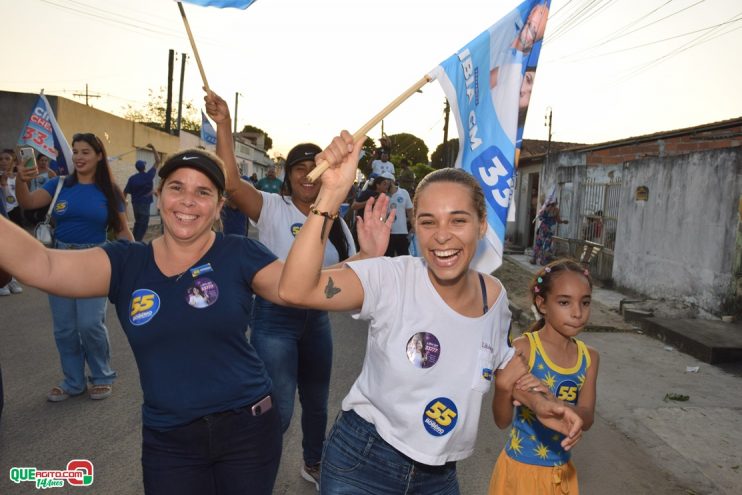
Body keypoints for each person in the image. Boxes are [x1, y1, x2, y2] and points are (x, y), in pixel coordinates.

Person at [278, 131, 584, 494]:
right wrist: (331, 194)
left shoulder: (494, 297)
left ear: (482, 224)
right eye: (427, 221)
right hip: (364, 464)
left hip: (439, 478)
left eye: (458, 220)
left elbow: (502, 364)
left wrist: (540, 401)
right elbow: (294, 289)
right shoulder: (393, 278)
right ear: (416, 227)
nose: (442, 236)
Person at [0, 148, 309, 494]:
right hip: (170, 439)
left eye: (203, 192)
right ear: (159, 195)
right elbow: (43, 265)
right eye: (177, 187)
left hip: (249, 430)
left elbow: (304, 288)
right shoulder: (126, 262)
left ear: (219, 205)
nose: (188, 201)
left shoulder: (241, 253)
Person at [204, 90, 361, 490]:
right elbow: (232, 182)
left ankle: (314, 462)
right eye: (300, 167)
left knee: (317, 401)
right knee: (280, 406)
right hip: (274, 318)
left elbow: (351, 267)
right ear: (289, 174)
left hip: (317, 321)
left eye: (316, 165)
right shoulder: (272, 208)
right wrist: (224, 125)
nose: (308, 173)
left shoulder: (337, 222)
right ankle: (255, 472)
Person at [15, 133, 133, 402]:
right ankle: (73, 381)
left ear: (99, 156)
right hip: (58, 260)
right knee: (65, 328)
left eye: (85, 152)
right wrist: (22, 181)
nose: (79, 157)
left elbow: (123, 231)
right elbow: (28, 203)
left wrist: (140, 262)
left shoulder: (109, 190)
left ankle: (102, 376)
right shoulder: (59, 184)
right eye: (76, 152)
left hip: (95, 260)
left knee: (90, 324)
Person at [489, 259, 599, 494]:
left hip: (562, 474)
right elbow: (501, 420)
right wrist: (503, 386)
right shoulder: (524, 349)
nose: (577, 312)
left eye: (585, 302)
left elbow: (587, 418)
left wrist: (557, 404)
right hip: (520, 472)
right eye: (564, 302)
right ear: (543, 304)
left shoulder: (589, 358)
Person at [124, 144, 160, 242]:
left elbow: (125, 192)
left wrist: (124, 203)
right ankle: (137, 243)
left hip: (135, 204)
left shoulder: (132, 179)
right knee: (143, 224)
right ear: (144, 167)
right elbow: (158, 161)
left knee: (137, 223)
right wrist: (153, 147)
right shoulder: (148, 176)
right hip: (144, 205)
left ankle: (133, 241)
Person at [24, 152, 58, 225]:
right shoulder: (33, 171)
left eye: (46, 160)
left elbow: (56, 186)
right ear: (37, 161)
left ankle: (42, 227)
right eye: (42, 160)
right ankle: (38, 225)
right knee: (27, 214)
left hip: (45, 198)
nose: (44, 162)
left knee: (41, 215)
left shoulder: (51, 173)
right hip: (33, 197)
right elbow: (28, 184)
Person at [530, 199, 567, 265]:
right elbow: (558, 220)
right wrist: (563, 222)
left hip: (543, 228)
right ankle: (542, 260)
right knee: (546, 245)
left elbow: (540, 217)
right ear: (555, 203)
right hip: (550, 229)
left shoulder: (544, 209)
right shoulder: (556, 210)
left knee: (539, 243)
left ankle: (534, 259)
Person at [385, 178, 413, 257]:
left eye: (387, 182)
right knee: (387, 258)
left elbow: (410, 210)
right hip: (386, 233)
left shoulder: (403, 192)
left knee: (404, 258)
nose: (385, 184)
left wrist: (414, 226)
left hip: (401, 231)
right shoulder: (382, 194)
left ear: (392, 181)